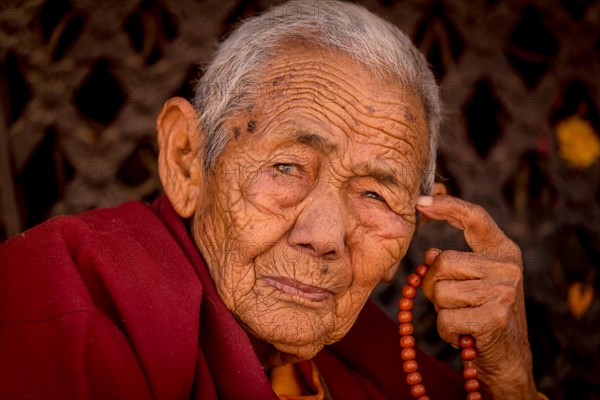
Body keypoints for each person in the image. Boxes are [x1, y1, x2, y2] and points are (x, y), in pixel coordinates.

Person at [0, 1, 543, 399]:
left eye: (376, 194)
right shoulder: (56, 302)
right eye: (285, 168)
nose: (325, 237)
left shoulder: (373, 370)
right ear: (187, 158)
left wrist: (511, 382)